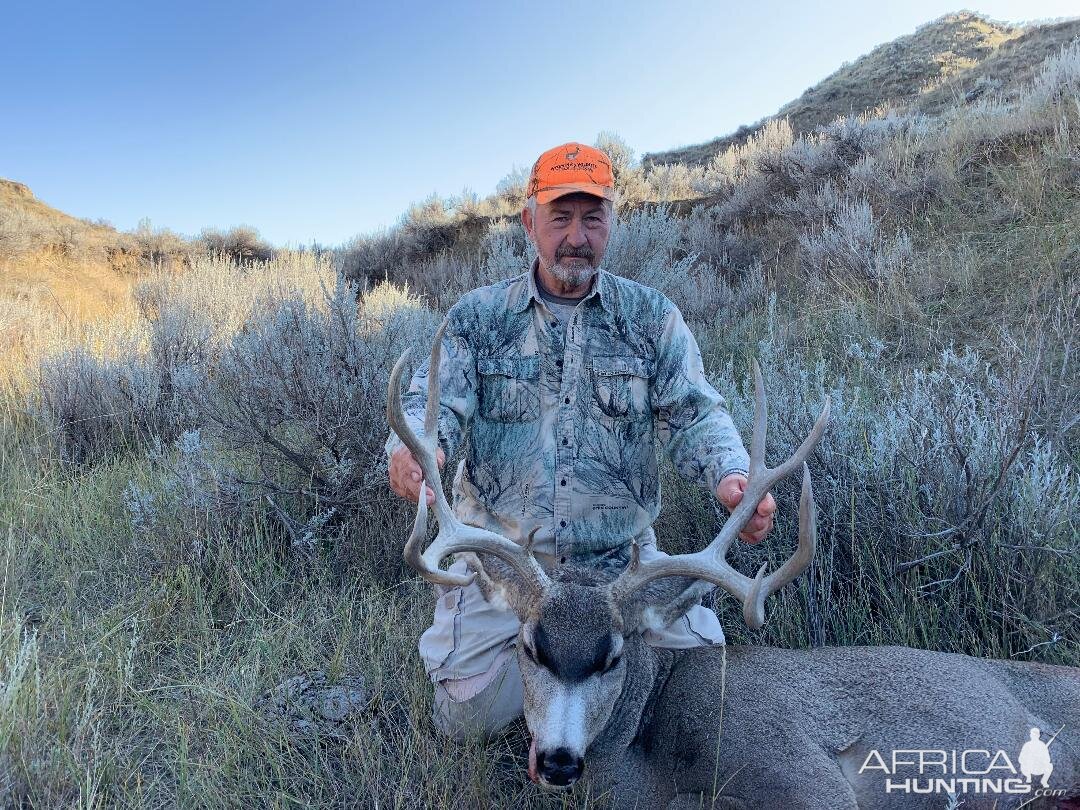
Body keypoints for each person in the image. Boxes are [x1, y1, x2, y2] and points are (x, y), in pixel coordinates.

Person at [385, 142, 776, 741]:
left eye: (592, 218)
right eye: (560, 217)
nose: (576, 236)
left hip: (620, 567)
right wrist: (416, 449)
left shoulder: (650, 318)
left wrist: (731, 475)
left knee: (709, 689)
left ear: (612, 223)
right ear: (529, 222)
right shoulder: (477, 319)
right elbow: (431, 408)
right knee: (467, 722)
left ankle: (588, 687)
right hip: (508, 567)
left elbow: (695, 413)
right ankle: (580, 685)